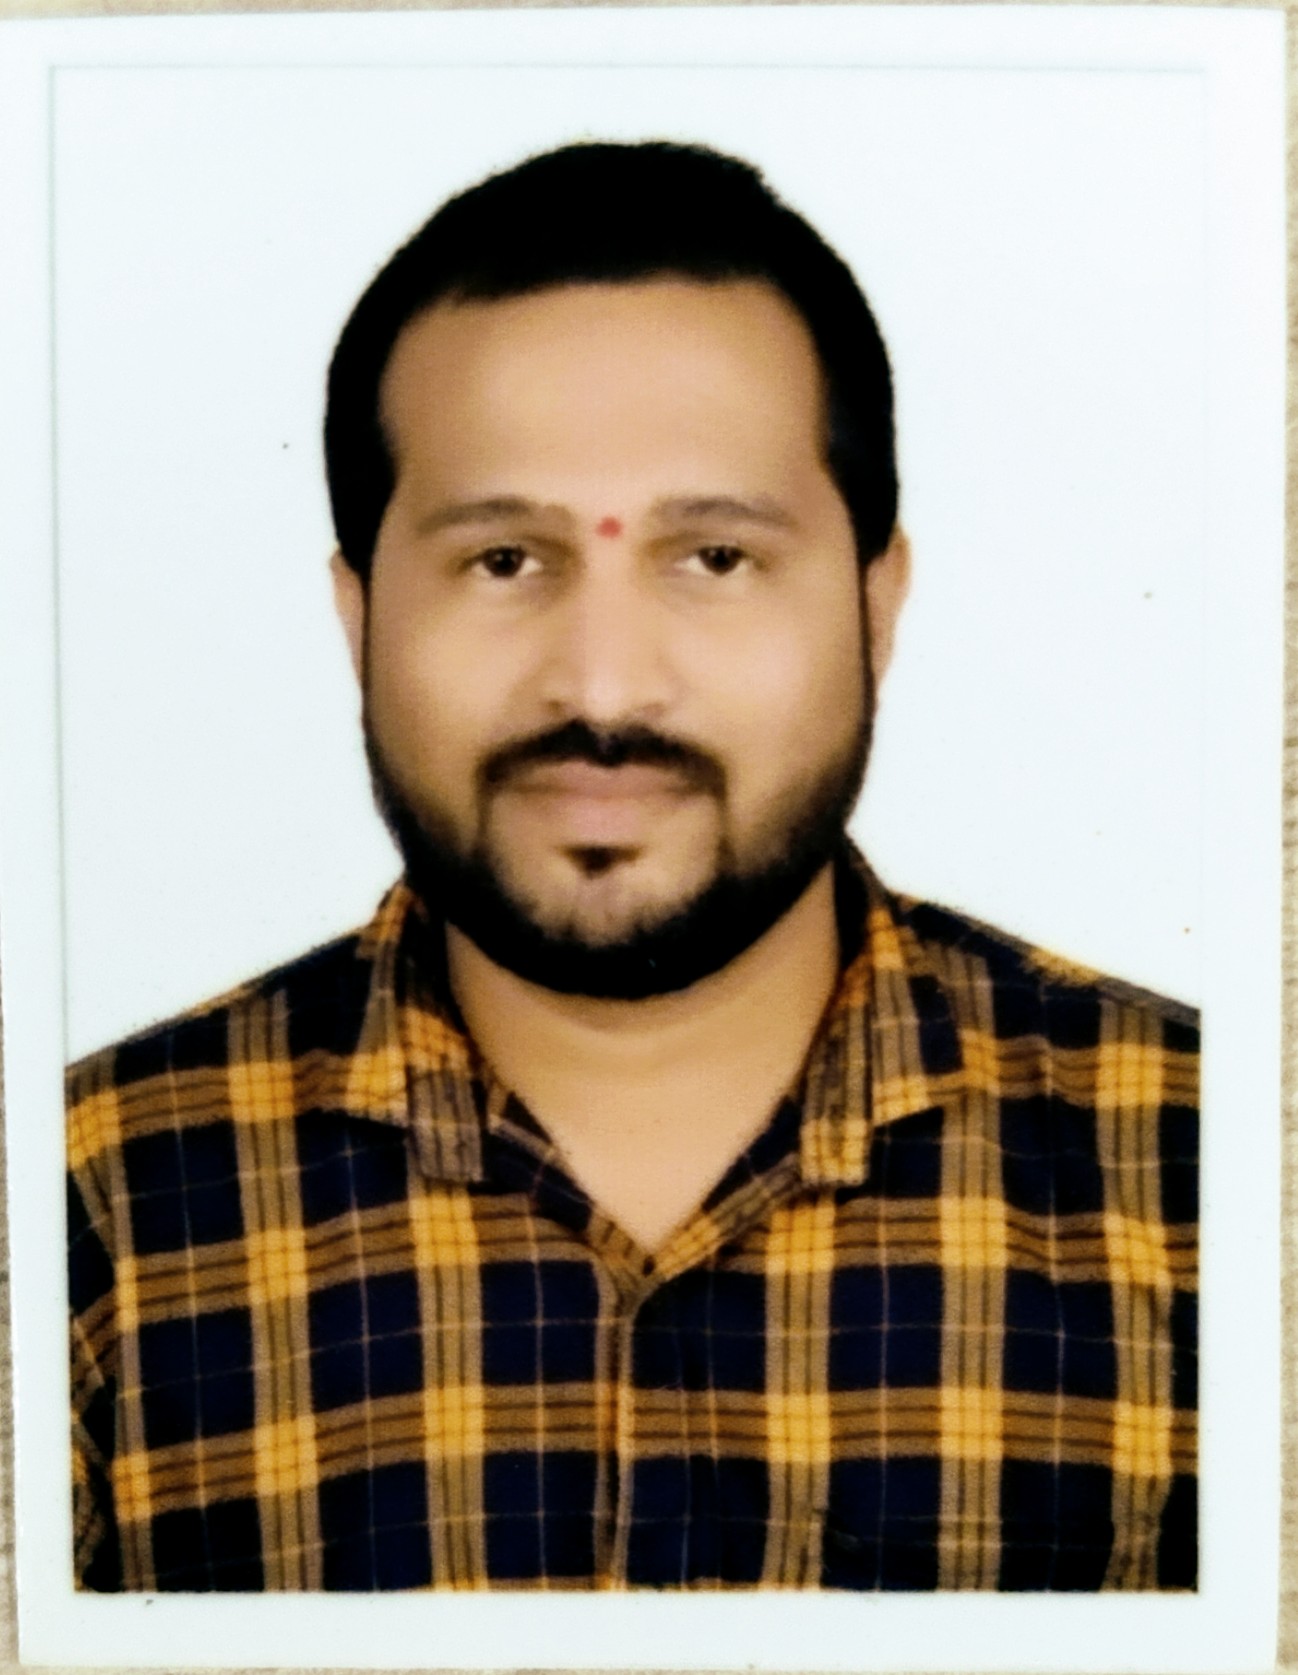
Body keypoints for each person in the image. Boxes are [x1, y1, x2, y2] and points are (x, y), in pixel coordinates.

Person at [66, 140, 1198, 1594]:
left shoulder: (1210, 1181)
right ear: (359, 619)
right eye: (502, 562)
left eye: (714, 558)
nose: (602, 686)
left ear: (878, 606)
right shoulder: (86, 1215)